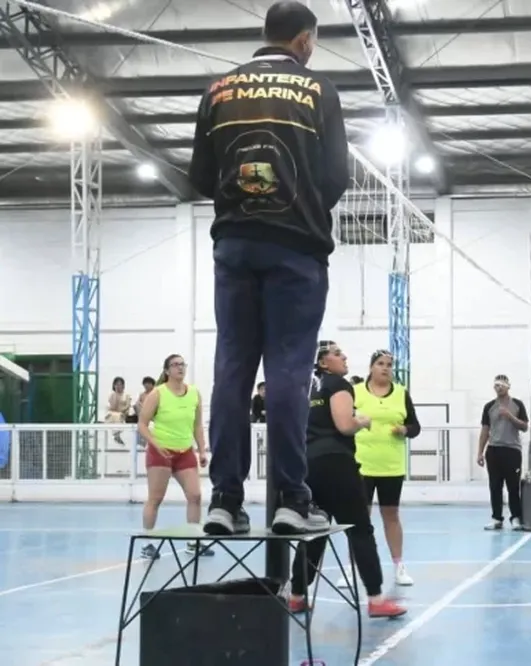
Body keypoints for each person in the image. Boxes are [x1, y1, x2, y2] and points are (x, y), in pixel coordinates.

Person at [188, 0, 350, 536]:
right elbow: (335, 178)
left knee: (231, 371)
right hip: (295, 249)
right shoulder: (318, 91)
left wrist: (244, 207)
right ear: (305, 41)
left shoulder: (218, 90)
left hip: (233, 247)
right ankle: (291, 500)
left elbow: (200, 177)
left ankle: (224, 500)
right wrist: (296, 207)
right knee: (286, 373)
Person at [287, 342, 406, 619]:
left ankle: (296, 596)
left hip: (308, 463)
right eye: (338, 354)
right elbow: (343, 425)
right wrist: (361, 421)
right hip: (336, 464)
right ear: (324, 362)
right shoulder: (338, 384)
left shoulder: (306, 386)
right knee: (360, 529)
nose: (344, 357)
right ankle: (376, 598)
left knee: (315, 530)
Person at [335, 350, 421, 588]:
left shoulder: (402, 393)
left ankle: (399, 566)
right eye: (381, 364)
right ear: (371, 367)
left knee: (391, 516)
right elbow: (343, 421)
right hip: (361, 465)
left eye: (390, 364)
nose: (386, 368)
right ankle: (352, 569)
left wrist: (405, 430)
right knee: (359, 517)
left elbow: (415, 426)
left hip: (392, 466)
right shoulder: (356, 391)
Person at [137, 355, 213, 559]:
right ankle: (148, 543)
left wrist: (202, 449)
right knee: (155, 498)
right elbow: (142, 425)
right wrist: (156, 444)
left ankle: (193, 541)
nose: (180, 368)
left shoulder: (194, 393)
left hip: (185, 452)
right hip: (160, 452)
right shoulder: (157, 394)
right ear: (167, 370)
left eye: (182, 364)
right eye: (175, 365)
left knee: (195, 496)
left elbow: (197, 425)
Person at [477, 375, 529, 530]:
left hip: (512, 450)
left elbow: (524, 426)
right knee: (495, 485)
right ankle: (496, 517)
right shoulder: (489, 407)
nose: (498, 388)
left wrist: (510, 416)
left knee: (513, 486)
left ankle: (516, 517)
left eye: (501, 385)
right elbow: (485, 430)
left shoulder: (517, 405)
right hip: (493, 450)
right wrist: (480, 452)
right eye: (496, 385)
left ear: (508, 386)